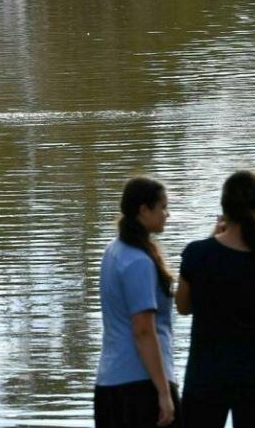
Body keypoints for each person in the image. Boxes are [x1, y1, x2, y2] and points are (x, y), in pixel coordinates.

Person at [175, 170, 255, 428]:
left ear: (224, 207)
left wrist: (211, 239)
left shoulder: (197, 254)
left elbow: (183, 307)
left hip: (206, 378)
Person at [94, 177, 181, 427]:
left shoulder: (113, 251)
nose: (167, 214)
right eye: (163, 207)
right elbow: (143, 331)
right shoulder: (139, 262)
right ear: (144, 210)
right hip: (142, 386)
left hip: (110, 383)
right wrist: (164, 393)